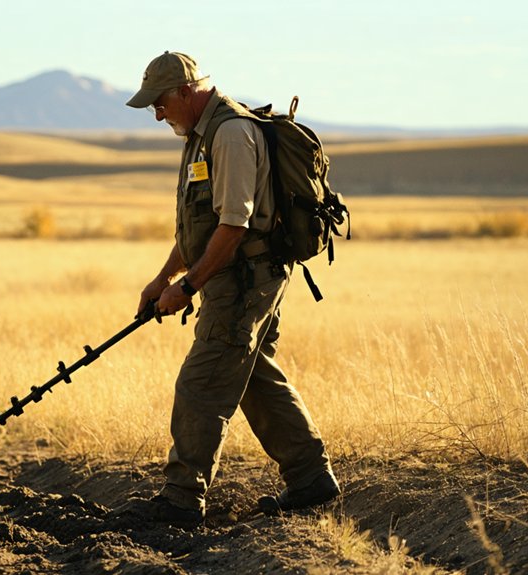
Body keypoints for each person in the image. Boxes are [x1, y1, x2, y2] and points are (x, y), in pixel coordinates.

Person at [125, 51, 339, 528]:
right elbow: (198, 228)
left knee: (202, 383)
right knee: (251, 375)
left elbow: (234, 225)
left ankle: (180, 500)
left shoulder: (230, 135)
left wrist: (189, 285)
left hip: (245, 279)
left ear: (185, 91)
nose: (158, 115)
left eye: (160, 104)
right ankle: (311, 480)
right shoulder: (200, 135)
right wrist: (163, 279)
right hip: (232, 275)